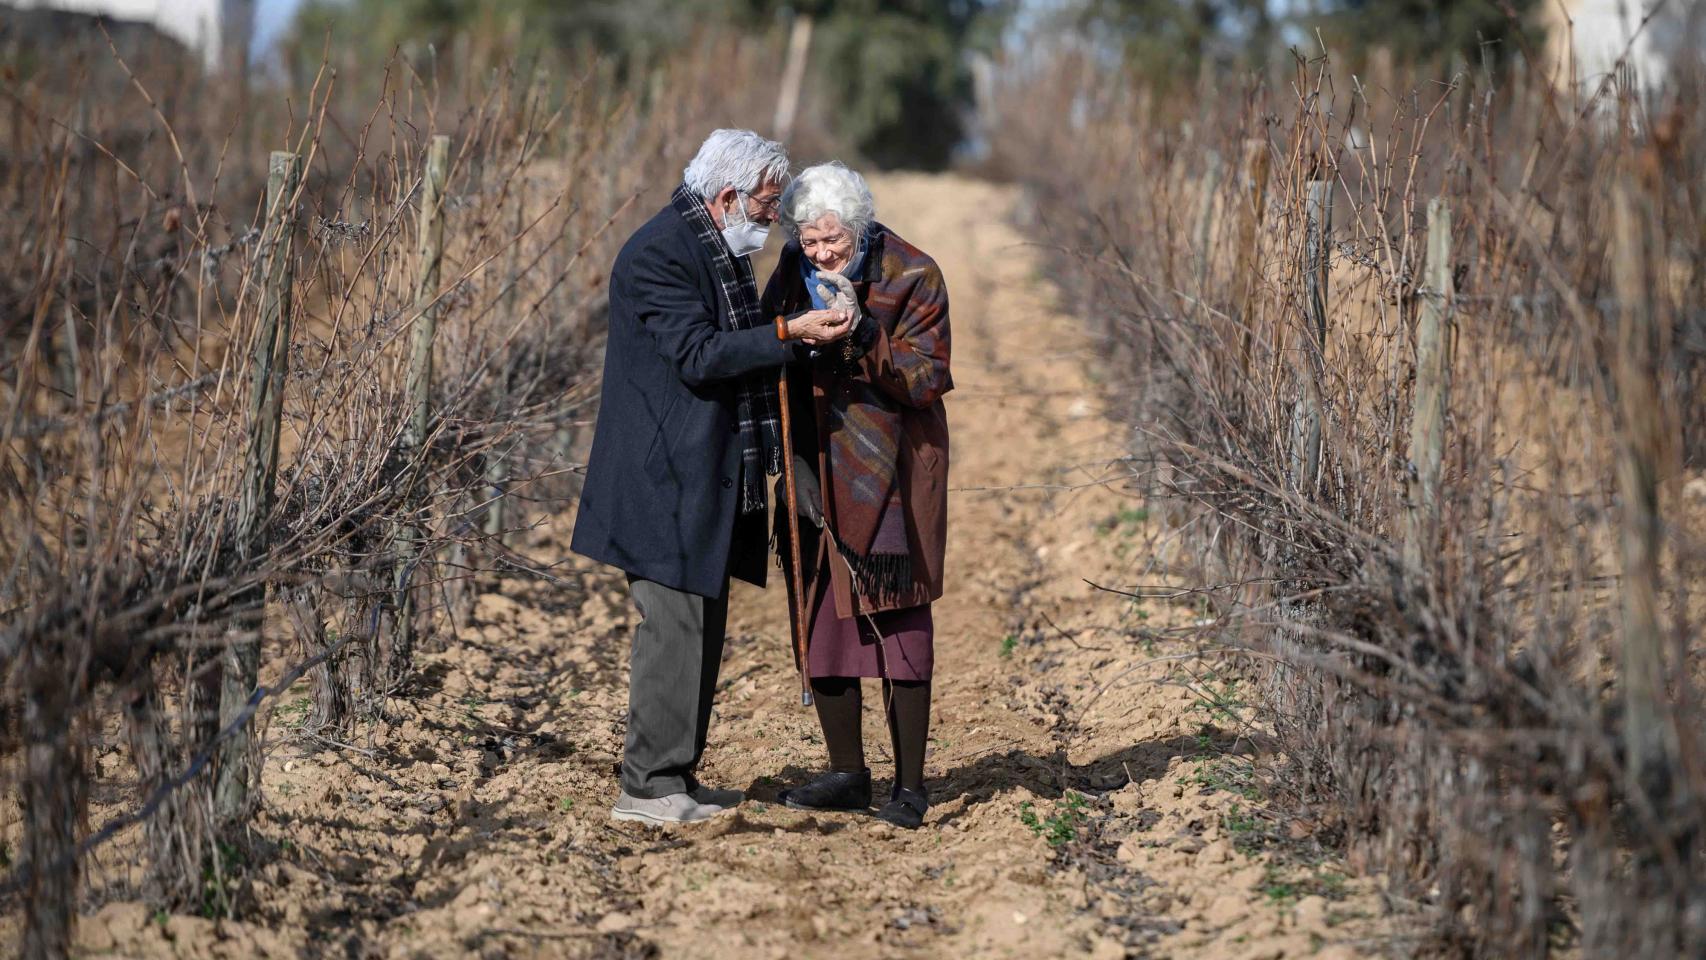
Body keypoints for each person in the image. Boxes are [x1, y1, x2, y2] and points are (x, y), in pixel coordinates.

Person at [572, 130, 856, 826]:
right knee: (672, 632)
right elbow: (699, 355)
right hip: (659, 482)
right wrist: (790, 334)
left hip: (699, 479)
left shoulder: (712, 246)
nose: (769, 220)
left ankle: (676, 779)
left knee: (699, 628)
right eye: (763, 206)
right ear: (727, 196)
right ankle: (646, 790)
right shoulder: (660, 255)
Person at [762, 163, 952, 829]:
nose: (818, 254)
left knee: (896, 618)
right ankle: (846, 772)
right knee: (823, 616)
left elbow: (927, 380)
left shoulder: (915, 273)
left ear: (860, 227)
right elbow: (772, 362)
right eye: (809, 241)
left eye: (831, 241)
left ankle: (910, 787)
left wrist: (866, 333)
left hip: (891, 469)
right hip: (815, 461)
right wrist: (794, 466)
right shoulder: (790, 270)